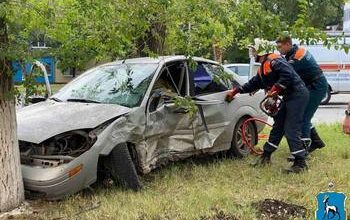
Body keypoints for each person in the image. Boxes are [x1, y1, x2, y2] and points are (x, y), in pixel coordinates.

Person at [226, 38, 310, 173]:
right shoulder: (264, 66)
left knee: (291, 129)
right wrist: (236, 91)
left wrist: (274, 90)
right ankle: (266, 156)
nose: (252, 53)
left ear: (261, 50)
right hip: (290, 96)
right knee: (278, 127)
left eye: (253, 50)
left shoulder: (274, 61)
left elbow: (287, 75)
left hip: (298, 95)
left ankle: (300, 163)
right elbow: (253, 83)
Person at [276, 35, 328, 154]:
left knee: (303, 117)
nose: (279, 49)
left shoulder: (297, 57)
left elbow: (286, 74)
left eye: (280, 46)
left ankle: (302, 151)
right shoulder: (294, 52)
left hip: (316, 86)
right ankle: (316, 141)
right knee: (304, 115)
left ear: (288, 44)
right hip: (311, 85)